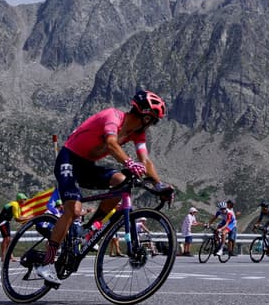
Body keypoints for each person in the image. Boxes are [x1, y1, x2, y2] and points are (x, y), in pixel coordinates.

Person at [35, 90, 172, 285]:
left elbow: (146, 160)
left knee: (121, 181)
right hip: (69, 159)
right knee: (73, 209)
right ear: (147, 116)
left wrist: (160, 185)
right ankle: (46, 263)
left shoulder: (138, 134)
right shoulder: (112, 116)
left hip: (87, 166)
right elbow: (110, 142)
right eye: (153, 121)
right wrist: (129, 162)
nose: (151, 126)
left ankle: (88, 229)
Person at [0, 193, 27, 262]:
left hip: (6, 222)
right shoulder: (15, 205)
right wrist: (28, 218)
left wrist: (28, 218)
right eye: (24, 200)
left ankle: (10, 256)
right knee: (6, 238)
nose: (25, 201)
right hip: (2, 222)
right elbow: (17, 219)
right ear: (20, 200)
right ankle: (3, 256)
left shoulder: (17, 206)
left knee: (9, 240)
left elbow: (20, 217)